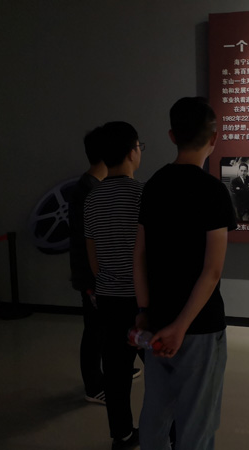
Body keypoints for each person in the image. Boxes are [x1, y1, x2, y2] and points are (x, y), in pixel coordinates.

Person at [134, 97, 237, 450]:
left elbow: (139, 255)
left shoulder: (154, 185)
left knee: (155, 413)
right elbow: (212, 270)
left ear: (172, 135)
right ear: (214, 138)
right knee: (197, 422)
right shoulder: (213, 192)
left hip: (157, 319)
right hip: (200, 325)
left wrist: (144, 311)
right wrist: (181, 327)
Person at [84, 121, 144, 450]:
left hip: (108, 299)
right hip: (142, 300)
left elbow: (93, 258)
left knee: (116, 373)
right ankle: (163, 430)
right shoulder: (143, 195)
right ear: (132, 152)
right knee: (161, 368)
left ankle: (121, 435)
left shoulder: (92, 199)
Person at [68, 126, 107, 405]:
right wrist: (92, 280)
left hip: (95, 274)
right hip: (92, 276)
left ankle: (107, 372)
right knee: (94, 329)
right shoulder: (88, 190)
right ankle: (93, 385)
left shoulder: (91, 186)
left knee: (103, 326)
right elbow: (88, 242)